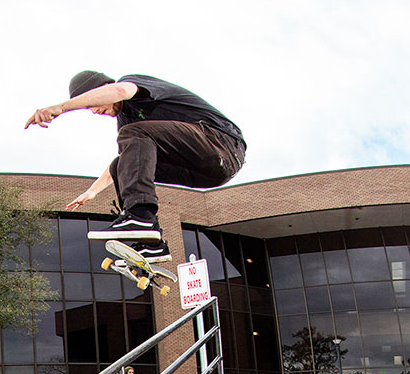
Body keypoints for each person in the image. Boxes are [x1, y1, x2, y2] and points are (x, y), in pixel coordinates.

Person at [25, 71, 246, 260]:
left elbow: (120, 92)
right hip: (204, 173)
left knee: (132, 134)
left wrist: (61, 108)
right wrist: (92, 191)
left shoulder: (131, 85)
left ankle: (140, 216)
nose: (94, 111)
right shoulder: (128, 123)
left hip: (221, 145)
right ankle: (152, 243)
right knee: (120, 163)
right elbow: (126, 163)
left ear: (105, 88)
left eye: (93, 104)